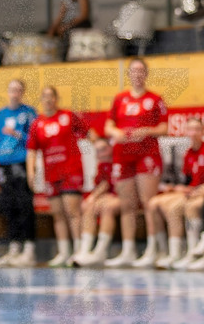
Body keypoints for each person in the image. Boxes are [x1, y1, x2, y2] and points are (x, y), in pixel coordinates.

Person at [102, 58, 169, 268]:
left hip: (146, 155)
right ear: (129, 74)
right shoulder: (120, 99)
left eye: (141, 71)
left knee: (149, 202)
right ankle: (128, 250)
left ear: (146, 74)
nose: (137, 74)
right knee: (127, 204)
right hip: (123, 155)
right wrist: (116, 132)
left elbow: (164, 128)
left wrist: (146, 131)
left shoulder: (155, 99)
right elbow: (108, 125)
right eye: (134, 71)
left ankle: (153, 249)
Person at [26, 86, 89, 267]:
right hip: (50, 173)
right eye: (44, 96)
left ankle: (79, 251)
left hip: (71, 170)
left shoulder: (68, 116)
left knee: (73, 212)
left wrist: (101, 147)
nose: (47, 99)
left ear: (56, 98)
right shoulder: (37, 124)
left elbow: (89, 133)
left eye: (50, 96)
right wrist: (31, 172)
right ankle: (63, 252)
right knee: (58, 214)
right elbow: (31, 151)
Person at [0, 79, 38, 267]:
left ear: (23, 92)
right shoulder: (0, 114)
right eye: (12, 89)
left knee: (24, 204)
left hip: (22, 162)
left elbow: (35, 138)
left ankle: (29, 248)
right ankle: (14, 247)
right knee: (8, 205)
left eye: (18, 90)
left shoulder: (29, 112)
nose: (15, 93)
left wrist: (17, 134)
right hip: (4, 164)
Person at [151, 117, 204, 269]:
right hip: (192, 192)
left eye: (197, 129)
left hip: (198, 193)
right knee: (158, 204)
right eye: (190, 129)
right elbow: (188, 181)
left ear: (202, 131)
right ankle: (173, 253)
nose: (193, 133)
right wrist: (178, 188)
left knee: (189, 207)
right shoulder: (188, 154)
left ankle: (192, 253)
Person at [73, 138, 121, 267]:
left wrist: (94, 197)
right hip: (108, 198)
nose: (101, 154)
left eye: (103, 150)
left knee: (106, 207)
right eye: (98, 151)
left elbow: (109, 185)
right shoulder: (102, 166)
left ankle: (100, 251)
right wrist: (94, 199)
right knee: (90, 206)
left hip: (122, 198)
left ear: (111, 148)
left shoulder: (119, 162)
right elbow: (102, 184)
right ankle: (84, 250)